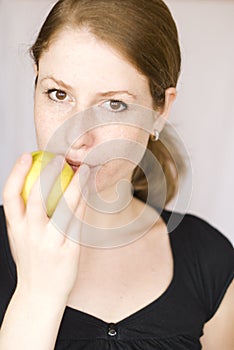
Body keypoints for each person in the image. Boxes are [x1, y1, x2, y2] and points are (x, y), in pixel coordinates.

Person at [0, 0, 233, 349]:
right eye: (58, 94)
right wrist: (36, 293)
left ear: (160, 111)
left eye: (114, 104)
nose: (77, 135)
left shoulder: (210, 259)